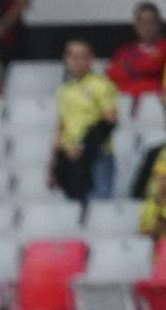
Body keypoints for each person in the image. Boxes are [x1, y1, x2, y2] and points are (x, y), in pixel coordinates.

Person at [51, 41, 120, 203]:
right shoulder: (63, 90)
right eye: (72, 56)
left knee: (99, 203)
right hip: (69, 155)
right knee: (73, 204)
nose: (76, 61)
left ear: (90, 59)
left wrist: (84, 145)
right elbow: (60, 126)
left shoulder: (101, 85)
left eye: (81, 57)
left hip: (96, 153)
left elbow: (110, 119)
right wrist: (53, 165)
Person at [112, 4, 166, 94]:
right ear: (136, 26)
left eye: (151, 22)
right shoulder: (124, 51)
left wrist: (129, 66)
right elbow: (113, 75)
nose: (147, 27)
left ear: (158, 24)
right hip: (128, 101)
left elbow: (153, 66)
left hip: (158, 100)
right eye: (143, 22)